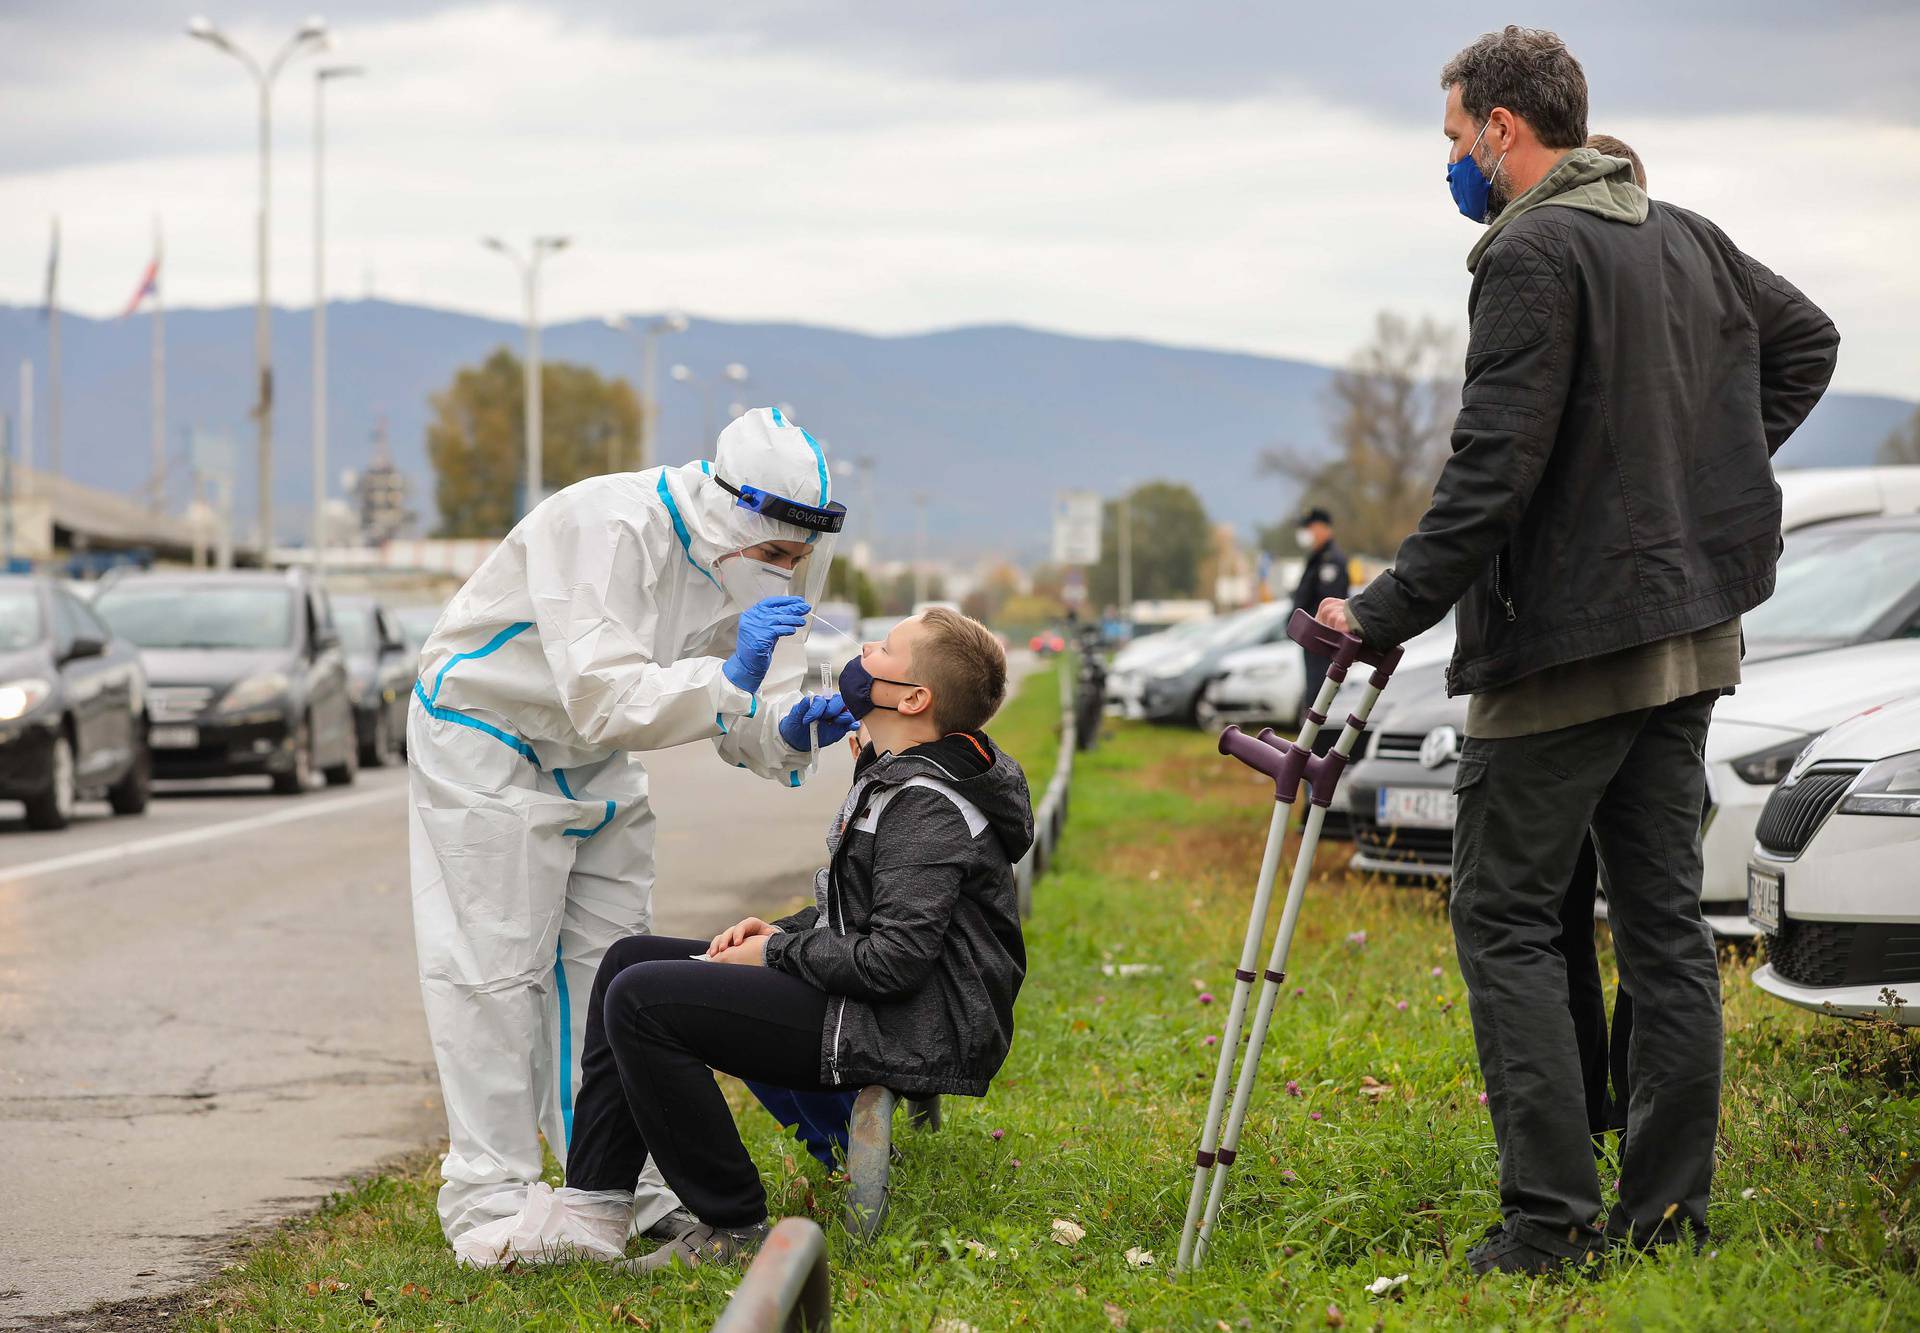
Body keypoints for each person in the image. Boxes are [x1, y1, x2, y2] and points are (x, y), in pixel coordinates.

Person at [1317, 27, 1838, 1275]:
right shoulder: (1684, 233)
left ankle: (1548, 1224)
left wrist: (1378, 609)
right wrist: (1695, 474)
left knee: (1500, 913)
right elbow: (1807, 338)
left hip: (1570, 653)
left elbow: (1491, 470)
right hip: (1691, 637)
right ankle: (1666, 1217)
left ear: (1503, 128)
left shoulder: (1532, 250)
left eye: (1453, 138)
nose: (1449, 162)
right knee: (1663, 926)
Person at [456, 608, 1033, 1269]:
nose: (865, 649)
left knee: (643, 1000)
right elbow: (866, 914)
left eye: (885, 647)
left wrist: (778, 953)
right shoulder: (902, 774)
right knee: (627, 961)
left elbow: (894, 961)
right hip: (885, 1005)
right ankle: (593, 1209)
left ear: (912, 697)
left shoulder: (925, 800)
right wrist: (780, 930)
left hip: (910, 1024)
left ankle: (732, 1222)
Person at [410, 406, 860, 1252]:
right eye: (774, 554)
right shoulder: (610, 524)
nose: (785, 572)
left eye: (798, 559)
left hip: (597, 754)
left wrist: (790, 729)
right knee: (494, 970)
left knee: (611, 970)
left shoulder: (744, 567)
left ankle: (615, 1191)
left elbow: (737, 717)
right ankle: (490, 1197)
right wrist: (731, 675)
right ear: (730, 512)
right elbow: (603, 692)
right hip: (490, 733)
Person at [1553, 133, 1651, 1150]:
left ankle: (1594, 1113)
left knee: (1570, 914)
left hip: (1587, 661)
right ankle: (1606, 1111)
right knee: (1623, 917)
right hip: (1649, 660)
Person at [1288, 508, 1349, 719]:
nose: (1307, 533)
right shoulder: (1318, 558)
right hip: (1312, 638)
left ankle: (1317, 742)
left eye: (1309, 528)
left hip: (1323, 639)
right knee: (1314, 692)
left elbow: (1329, 603)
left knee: (1320, 694)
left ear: (1322, 528)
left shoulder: (1331, 560)